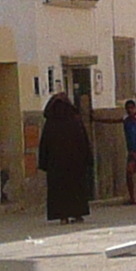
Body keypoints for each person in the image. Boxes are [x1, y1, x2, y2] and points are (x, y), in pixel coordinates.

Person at [38, 91, 95, 224]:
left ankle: (62, 216)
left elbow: (44, 144)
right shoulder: (75, 120)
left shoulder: (51, 123)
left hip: (56, 164)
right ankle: (78, 213)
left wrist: (43, 162)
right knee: (77, 188)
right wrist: (88, 159)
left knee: (59, 190)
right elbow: (84, 142)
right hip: (76, 163)